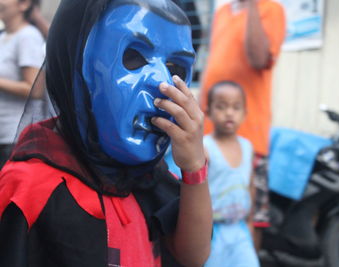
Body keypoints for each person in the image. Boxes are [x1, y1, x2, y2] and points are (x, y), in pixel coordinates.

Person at [0, 0, 212, 266]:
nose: (162, 83)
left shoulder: (149, 179)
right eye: (134, 56)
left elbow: (193, 256)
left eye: (176, 69)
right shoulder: (29, 189)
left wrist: (194, 168)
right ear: (75, 64)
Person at [200, 0, 286, 251]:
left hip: (248, 136)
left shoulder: (271, 9)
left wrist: (251, 7)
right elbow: (211, 62)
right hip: (210, 137)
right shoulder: (223, 12)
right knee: (203, 210)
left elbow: (258, 57)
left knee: (251, 215)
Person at [204, 81, 259, 267]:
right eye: (221, 107)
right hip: (210, 231)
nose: (229, 113)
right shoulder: (205, 148)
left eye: (236, 107)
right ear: (208, 112)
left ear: (244, 113)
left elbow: (250, 185)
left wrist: (250, 221)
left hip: (239, 228)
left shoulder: (247, 146)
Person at [0, 0, 45, 169]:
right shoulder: (4, 36)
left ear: (24, 4)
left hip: (14, 138)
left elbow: (34, 89)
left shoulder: (28, 36)